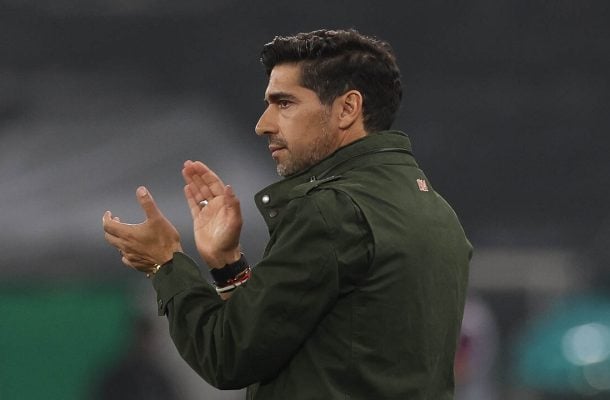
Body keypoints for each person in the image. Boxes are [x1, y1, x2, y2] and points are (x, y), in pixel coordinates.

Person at [103, 29, 472, 400]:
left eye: (284, 103)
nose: (263, 124)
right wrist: (229, 266)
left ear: (347, 108)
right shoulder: (438, 211)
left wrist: (165, 263)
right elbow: (312, 345)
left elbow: (228, 356)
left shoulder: (330, 211)